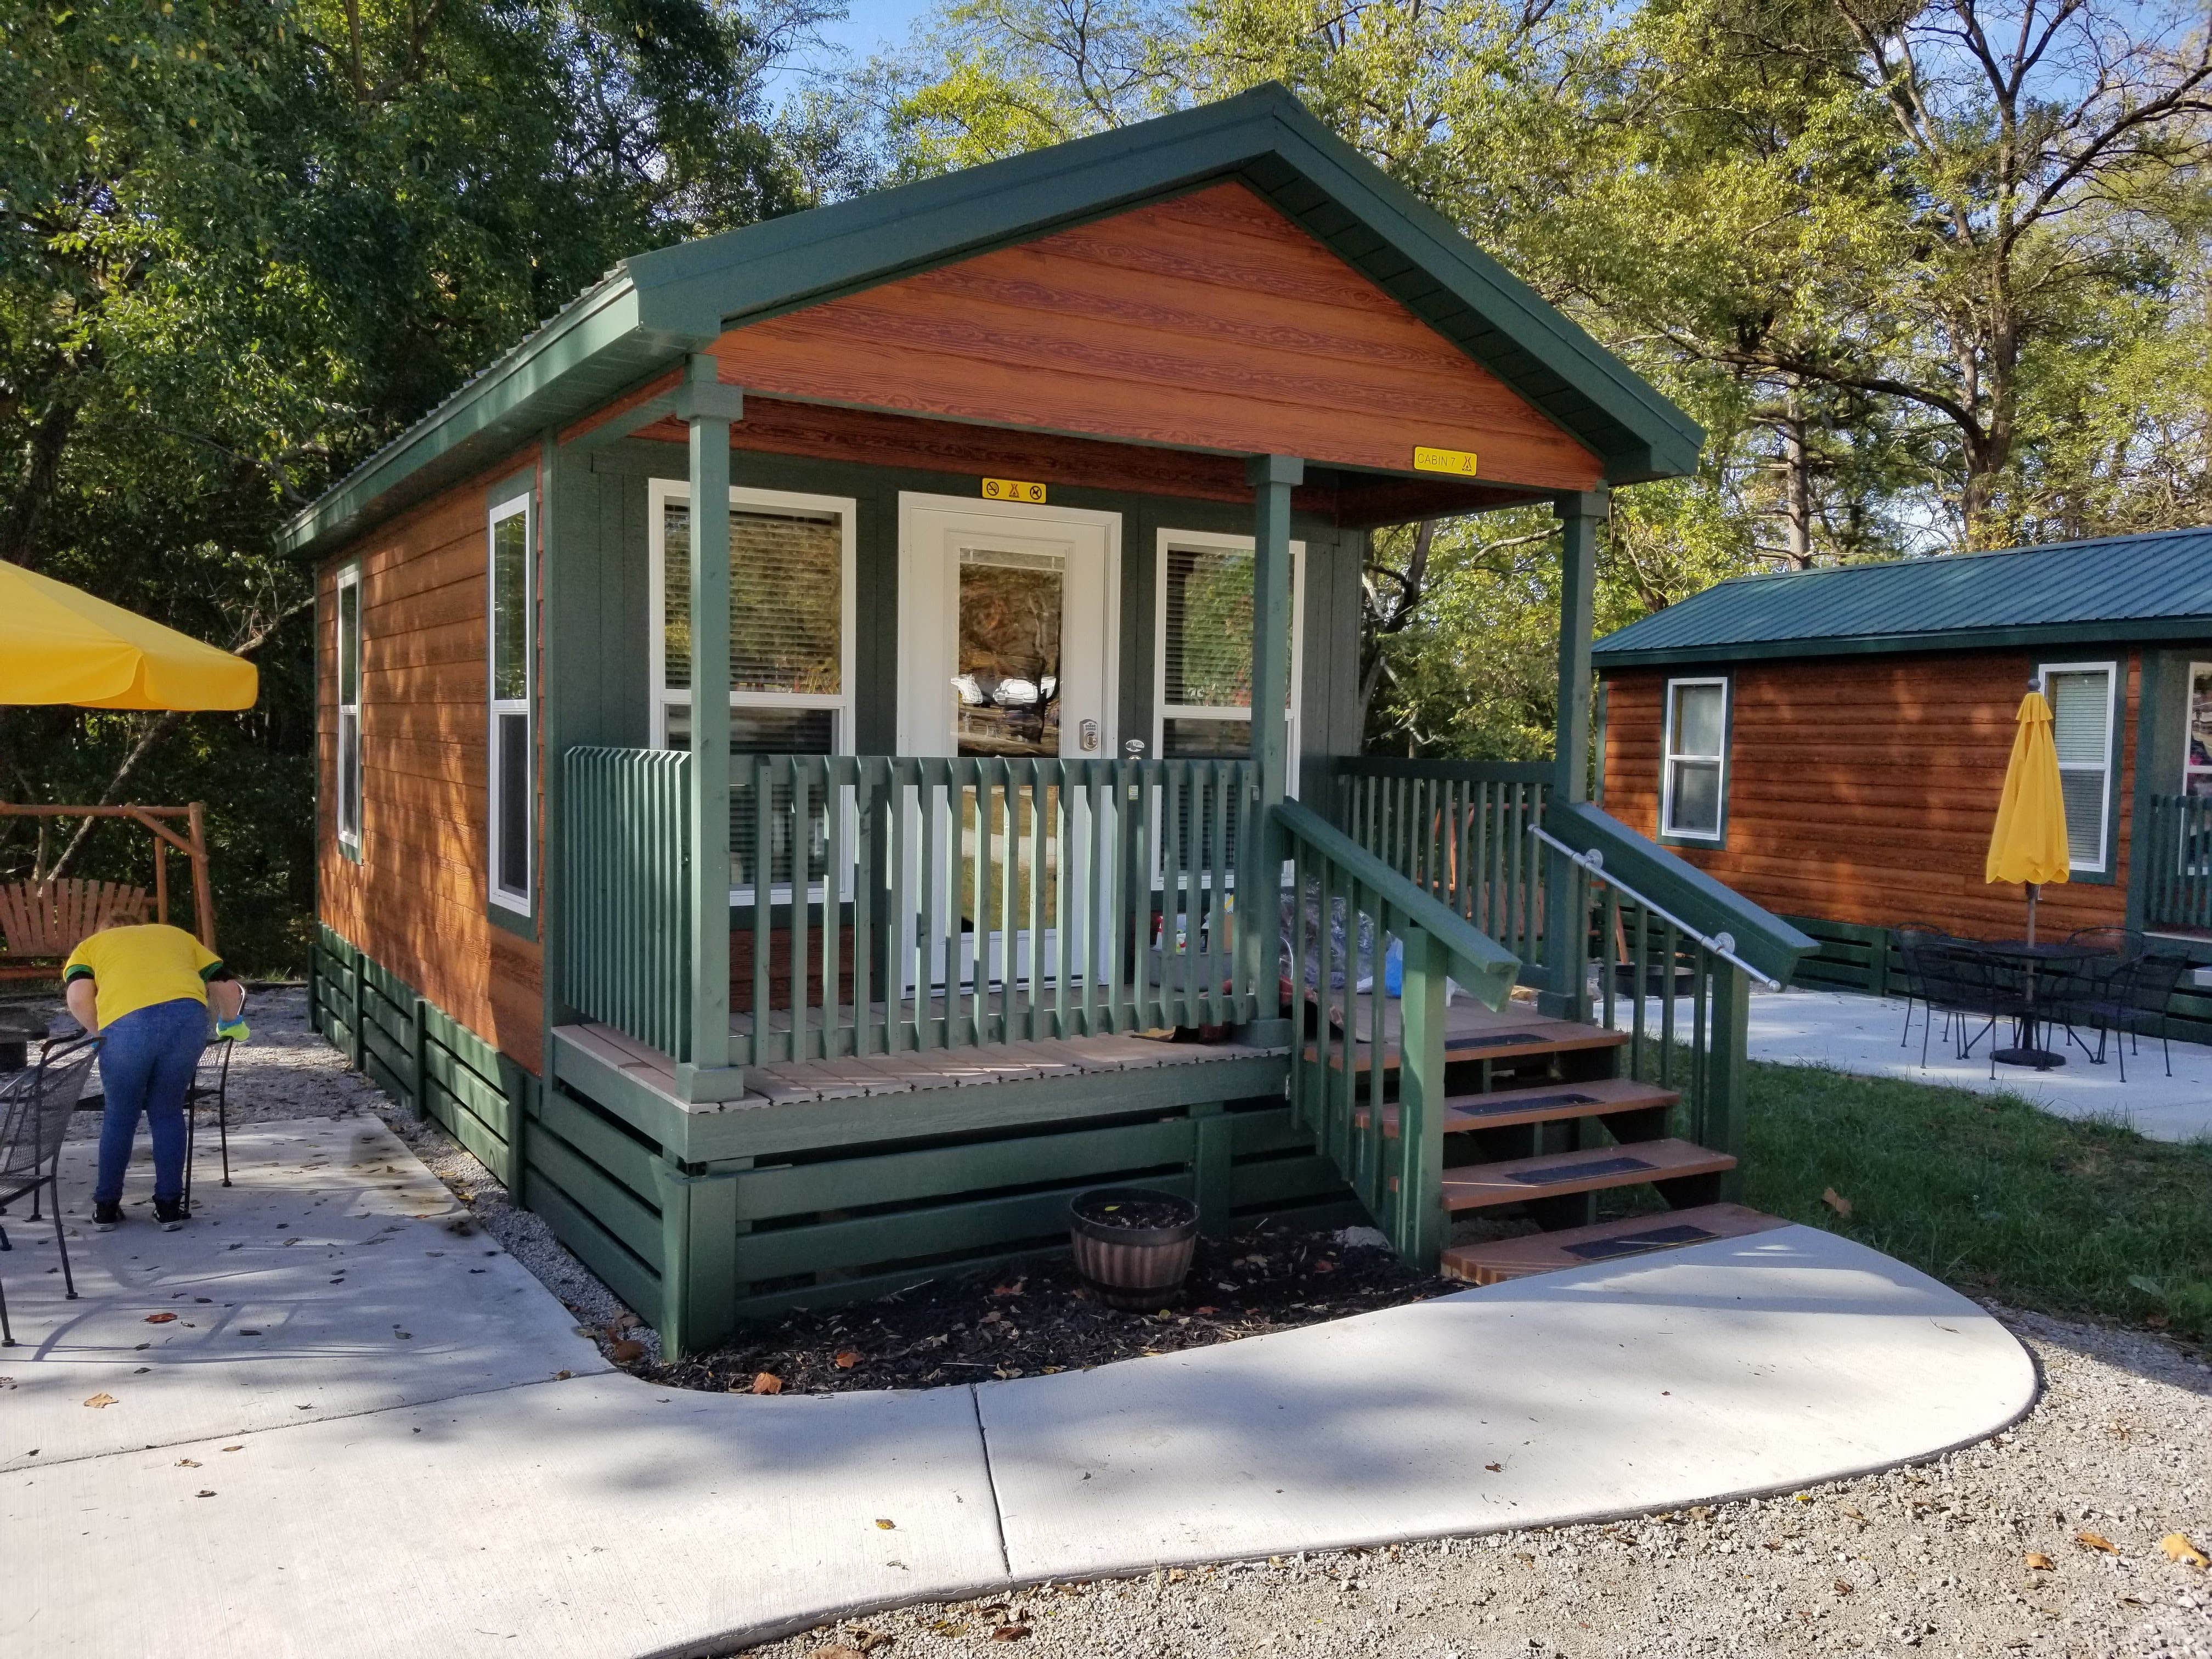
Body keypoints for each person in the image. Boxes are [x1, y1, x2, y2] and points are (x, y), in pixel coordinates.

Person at [61, 923, 246, 1232]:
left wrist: (100, 1033)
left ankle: (106, 1208)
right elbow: (227, 986)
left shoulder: (91, 946)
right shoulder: (177, 936)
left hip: (125, 1024)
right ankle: (169, 1208)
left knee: (120, 1115)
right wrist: (229, 1022)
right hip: (186, 1020)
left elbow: (79, 997)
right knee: (168, 1111)